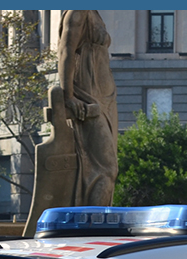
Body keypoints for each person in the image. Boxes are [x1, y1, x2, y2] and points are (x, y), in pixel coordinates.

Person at [58, 10, 118, 206]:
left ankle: (99, 221)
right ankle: (92, 226)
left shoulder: (95, 13)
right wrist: (68, 96)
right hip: (87, 97)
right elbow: (65, 50)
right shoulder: (78, 11)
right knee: (105, 168)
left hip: (105, 97)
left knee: (108, 168)